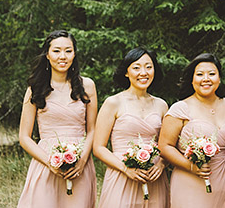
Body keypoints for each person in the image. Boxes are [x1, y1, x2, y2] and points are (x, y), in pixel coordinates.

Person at [17, 30, 98, 208]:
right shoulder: (35, 88)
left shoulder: (88, 85)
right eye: (56, 51)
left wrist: (82, 160)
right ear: (47, 54)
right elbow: (24, 137)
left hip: (80, 163)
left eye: (68, 51)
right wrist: (49, 162)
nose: (63, 56)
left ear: (74, 54)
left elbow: (92, 130)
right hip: (45, 162)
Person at [159, 53, 225, 207]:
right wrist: (190, 166)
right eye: (200, 74)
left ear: (219, 78)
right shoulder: (181, 108)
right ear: (192, 79)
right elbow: (165, 146)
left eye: (212, 74)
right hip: (191, 181)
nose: (206, 78)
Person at [95, 47, 169, 208]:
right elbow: (99, 147)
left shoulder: (161, 105)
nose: (143, 72)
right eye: (136, 67)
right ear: (126, 72)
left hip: (153, 178)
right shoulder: (113, 103)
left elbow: (168, 144)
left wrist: (161, 164)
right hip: (121, 175)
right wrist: (125, 168)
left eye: (149, 67)